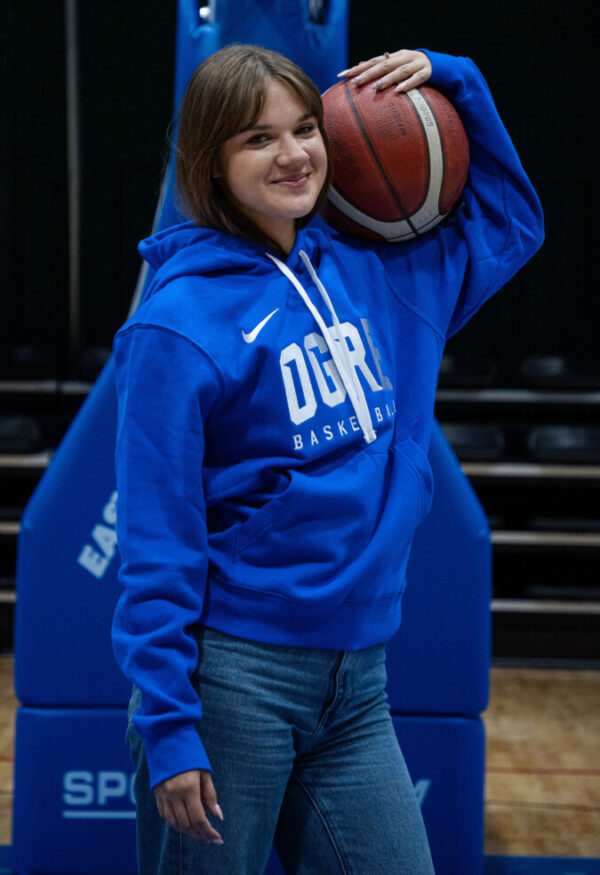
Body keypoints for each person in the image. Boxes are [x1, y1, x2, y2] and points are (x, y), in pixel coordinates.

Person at [112, 44, 544, 874]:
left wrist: (453, 77)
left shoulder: (381, 273)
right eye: (257, 138)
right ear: (210, 160)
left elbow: (511, 222)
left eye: (305, 128)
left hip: (358, 680)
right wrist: (168, 725)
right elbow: (156, 540)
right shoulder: (176, 325)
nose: (293, 154)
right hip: (231, 680)